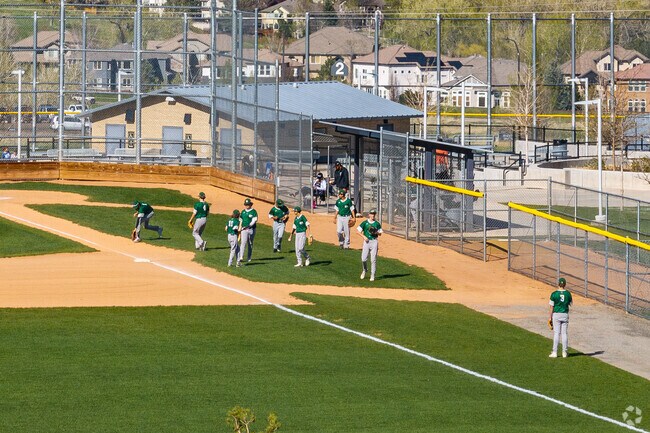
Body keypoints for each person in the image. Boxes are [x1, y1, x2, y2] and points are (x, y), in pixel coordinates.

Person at [549, 277, 573, 358]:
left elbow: (551, 307)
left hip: (556, 314)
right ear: (565, 284)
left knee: (556, 333)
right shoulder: (568, 294)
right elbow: (570, 304)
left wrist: (550, 317)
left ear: (558, 284)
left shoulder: (554, 294)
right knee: (564, 333)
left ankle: (555, 352)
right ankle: (564, 352)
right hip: (565, 314)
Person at [357, 209, 383, 282]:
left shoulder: (377, 223)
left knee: (373, 260)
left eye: (374, 214)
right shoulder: (365, 223)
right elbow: (357, 231)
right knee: (363, 259)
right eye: (372, 214)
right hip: (366, 242)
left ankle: (372, 275)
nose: (373, 215)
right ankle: (365, 270)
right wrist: (364, 237)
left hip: (374, 241)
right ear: (369, 215)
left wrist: (376, 232)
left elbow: (380, 233)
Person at [237, 198, 258, 266]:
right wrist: (240, 228)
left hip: (252, 229)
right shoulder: (243, 212)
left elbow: (254, 220)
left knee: (250, 243)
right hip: (244, 229)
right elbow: (241, 220)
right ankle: (241, 257)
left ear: (250, 204)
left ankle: (249, 257)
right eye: (246, 204)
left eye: (248, 204)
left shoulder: (254, 212)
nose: (247, 206)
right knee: (243, 242)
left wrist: (249, 225)